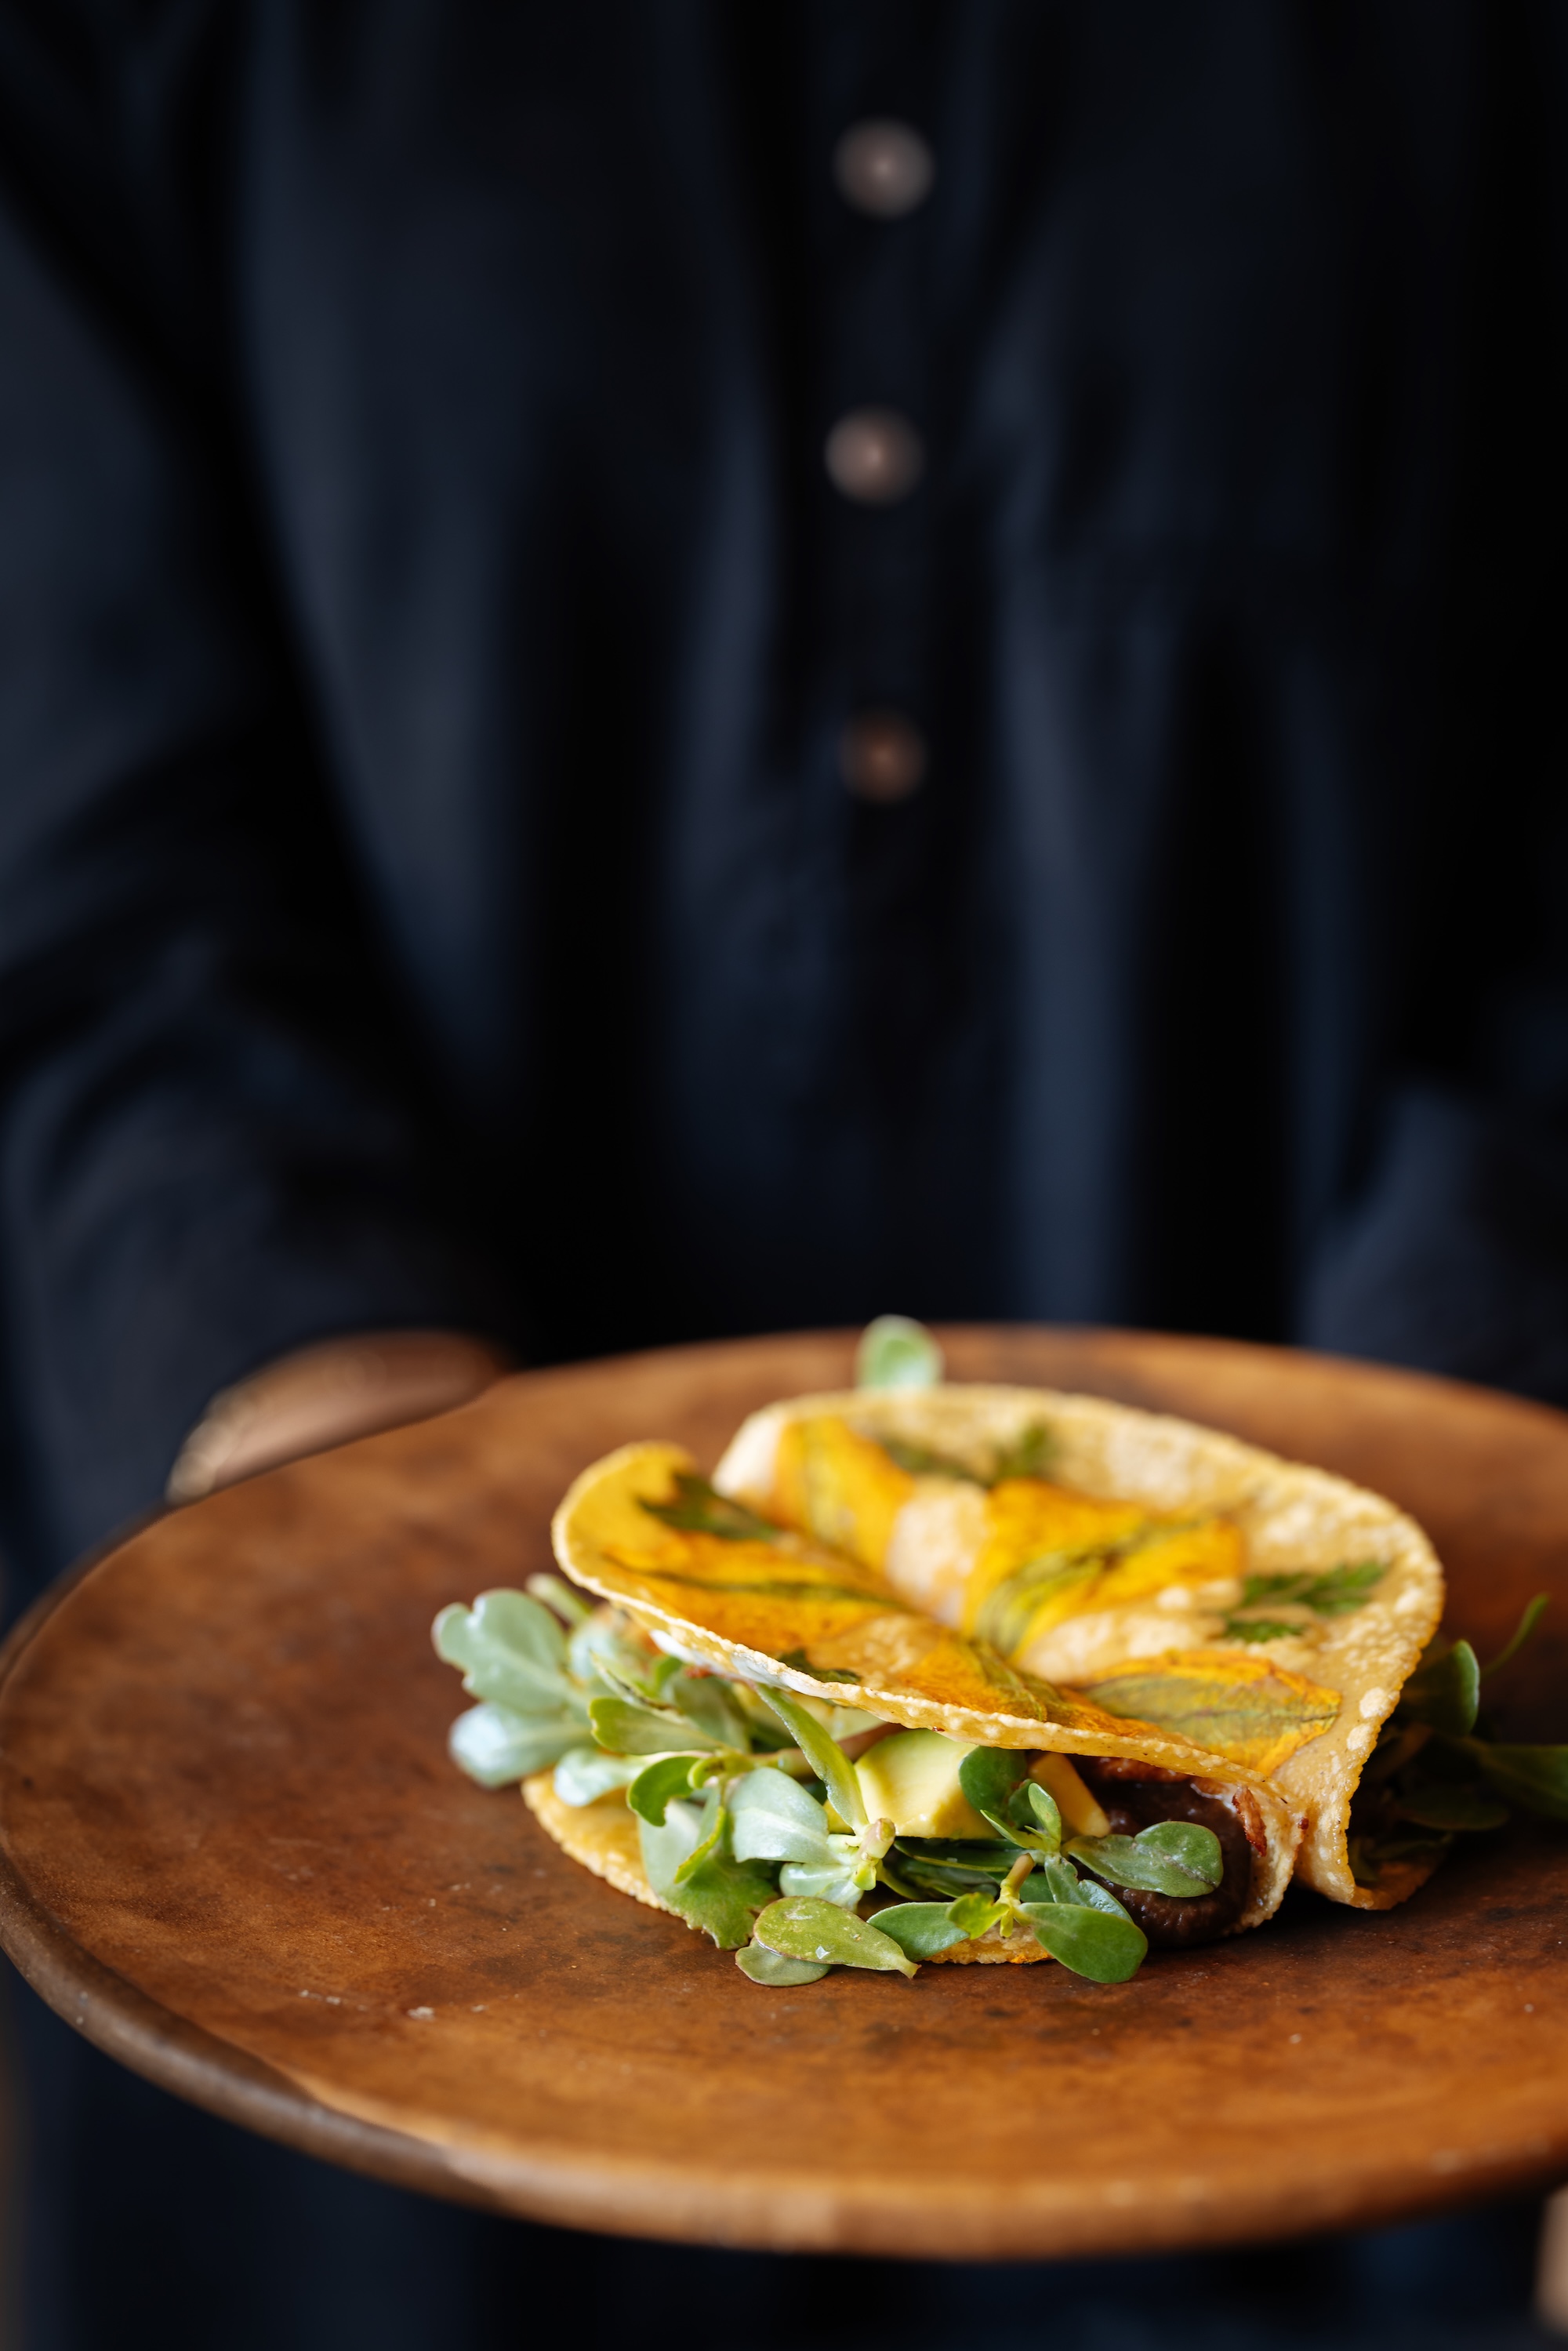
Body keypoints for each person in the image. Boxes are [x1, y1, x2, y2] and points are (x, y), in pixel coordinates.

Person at [2, 3, 1567, 2344]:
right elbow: (79, 831)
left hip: (1349, 2100)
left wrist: (1393, 1523)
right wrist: (337, 1488)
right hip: (395, 2048)